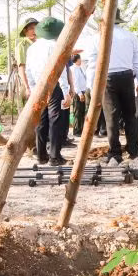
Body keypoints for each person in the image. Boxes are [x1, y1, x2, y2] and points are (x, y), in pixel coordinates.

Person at [86, 9, 138, 164]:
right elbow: (137, 62)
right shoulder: (130, 36)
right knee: (130, 115)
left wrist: (90, 87)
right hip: (127, 76)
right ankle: (133, 150)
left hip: (107, 78)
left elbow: (92, 65)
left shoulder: (96, 38)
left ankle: (115, 152)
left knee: (111, 117)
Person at [26, 17, 72, 166]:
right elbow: (61, 70)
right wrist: (66, 91)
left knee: (41, 121)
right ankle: (54, 156)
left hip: (38, 86)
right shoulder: (56, 46)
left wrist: (33, 89)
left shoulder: (32, 48)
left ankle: (41, 155)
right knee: (55, 120)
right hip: (53, 85)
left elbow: (28, 71)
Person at [15, 18, 38, 96]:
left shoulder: (41, 44)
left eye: (36, 28)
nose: (34, 31)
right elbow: (22, 68)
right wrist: (27, 87)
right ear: (25, 31)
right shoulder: (22, 45)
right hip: (29, 85)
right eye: (31, 28)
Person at [70, 54, 88, 136]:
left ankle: (80, 129)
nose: (81, 60)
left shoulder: (78, 68)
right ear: (77, 60)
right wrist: (80, 94)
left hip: (82, 91)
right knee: (77, 112)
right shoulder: (74, 69)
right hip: (78, 93)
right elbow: (75, 83)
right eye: (80, 59)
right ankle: (77, 131)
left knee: (81, 112)